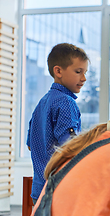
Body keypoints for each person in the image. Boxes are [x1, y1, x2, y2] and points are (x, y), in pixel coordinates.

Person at [27, 43, 89, 204]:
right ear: (58, 71)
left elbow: (30, 144)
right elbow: (71, 147)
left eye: (85, 73)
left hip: (39, 190)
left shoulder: (42, 103)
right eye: (78, 72)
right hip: (59, 190)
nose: (84, 78)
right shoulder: (66, 103)